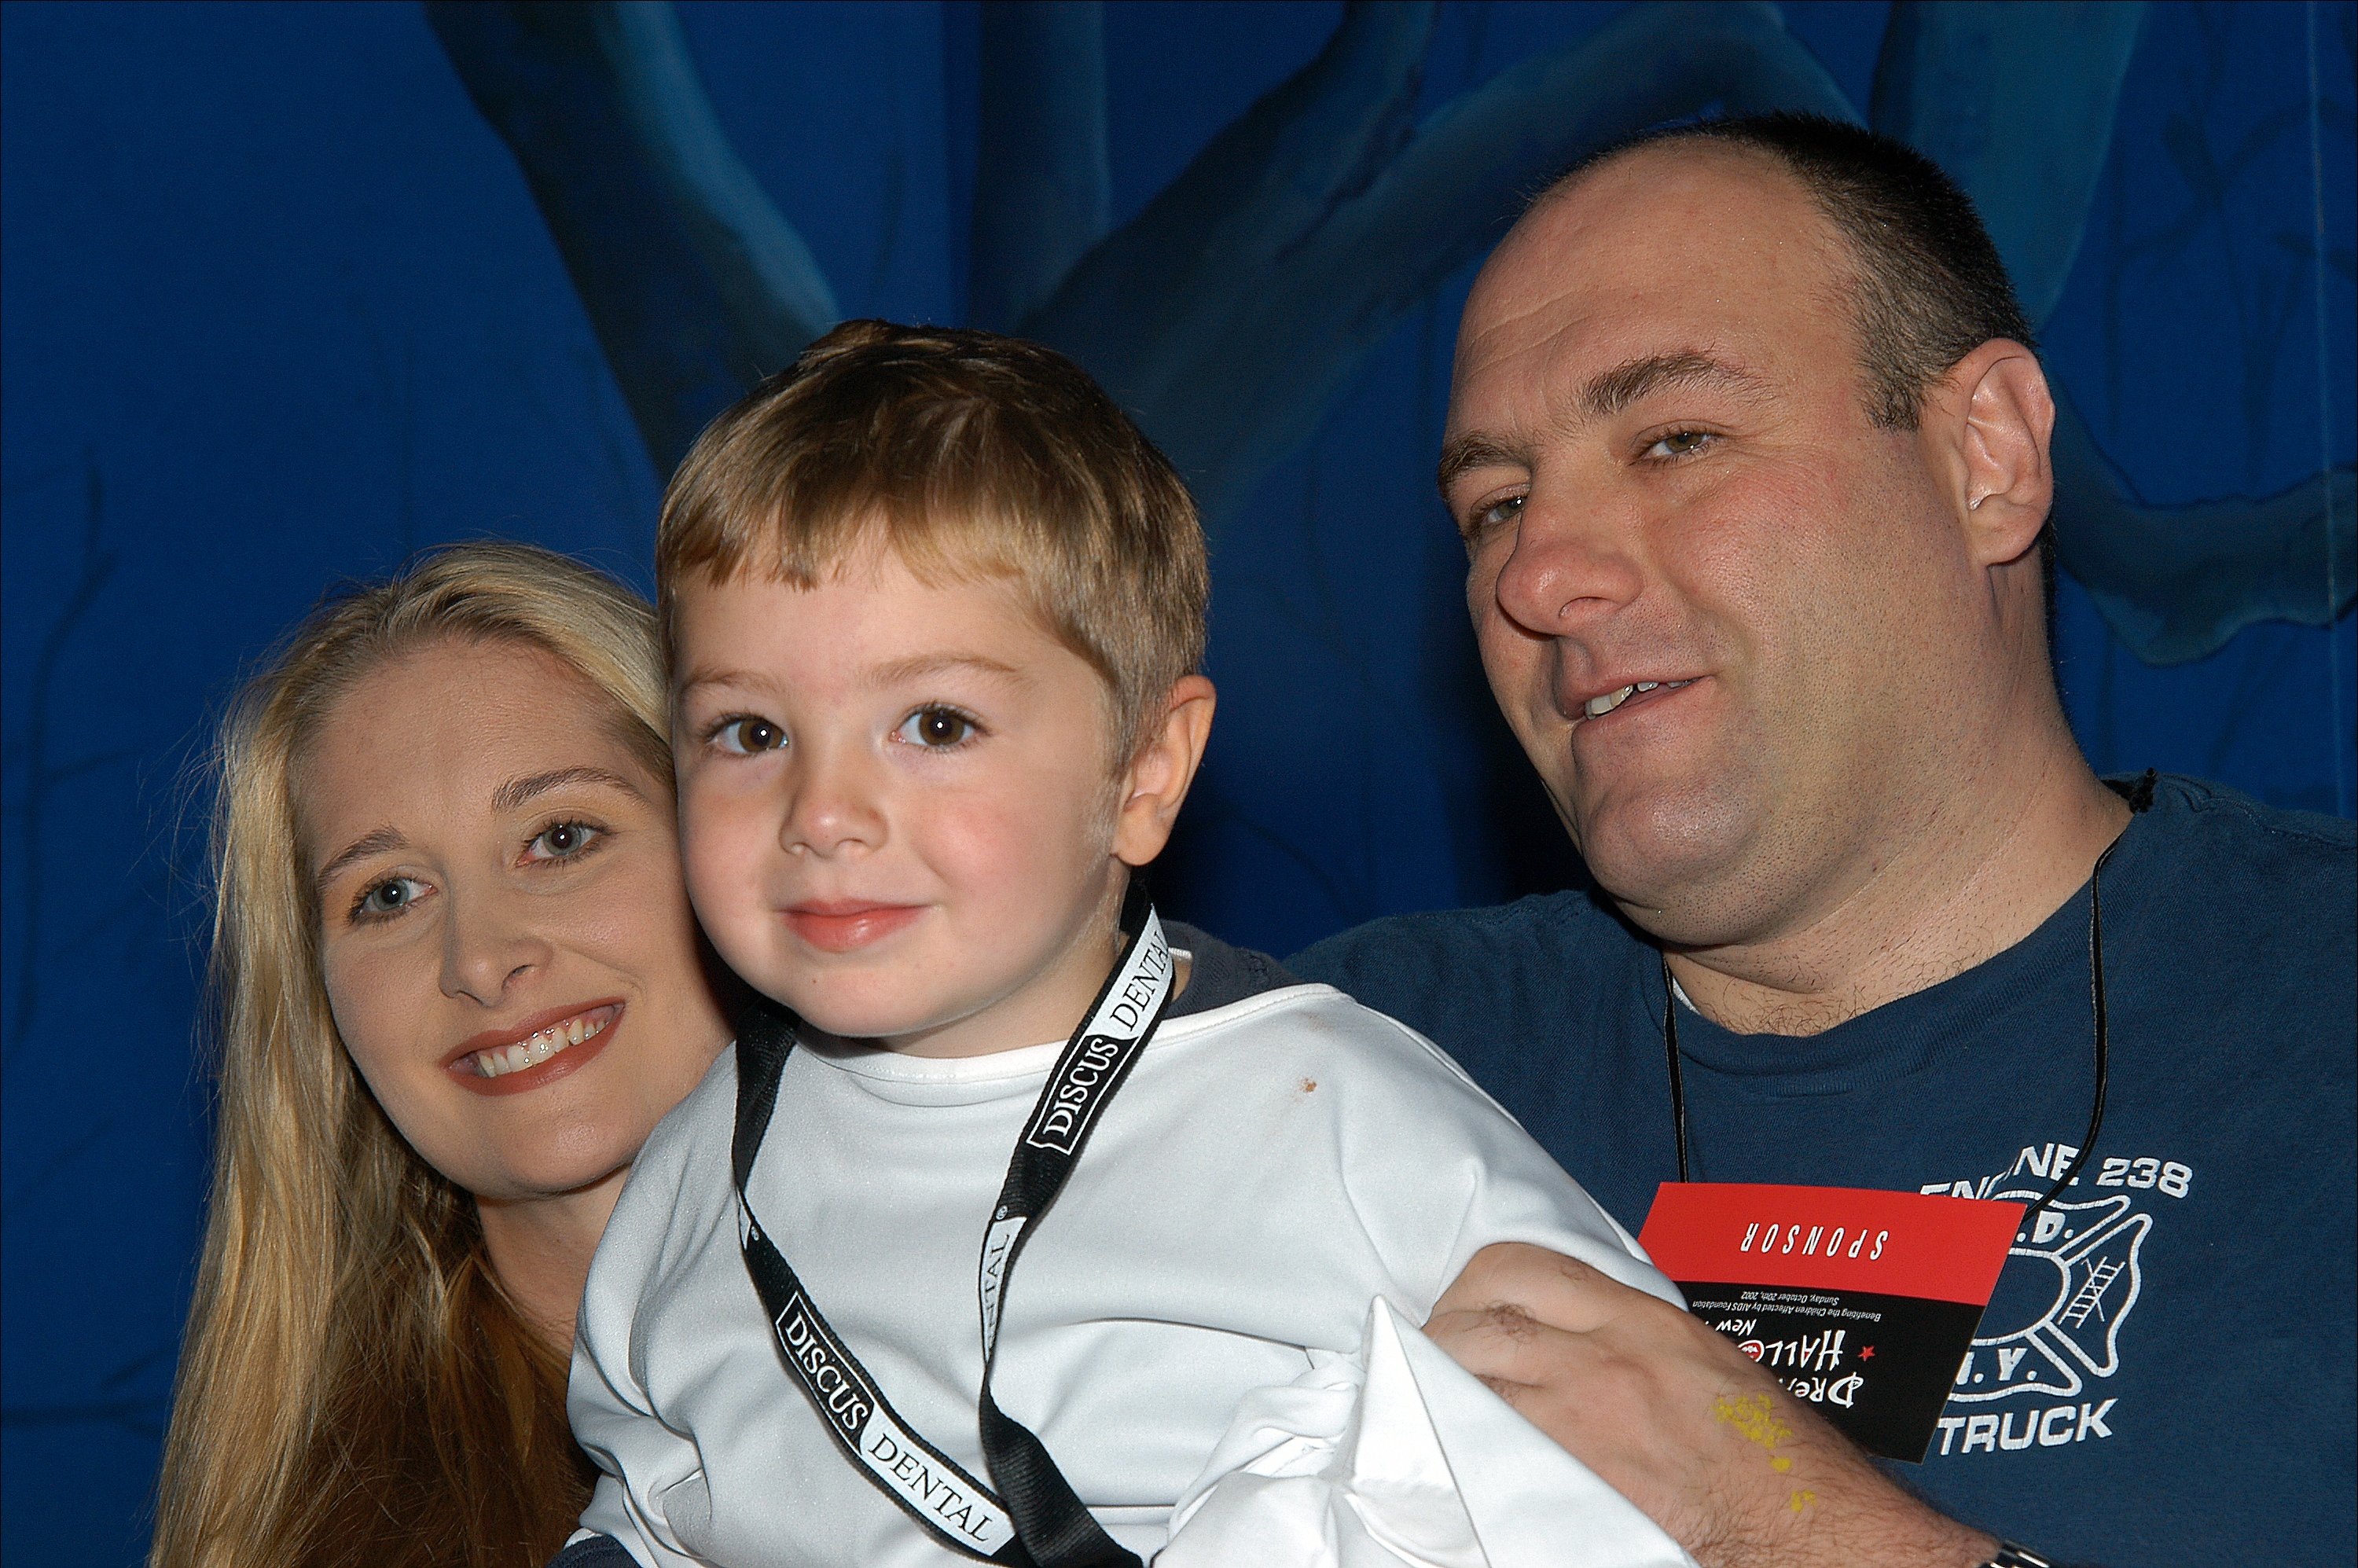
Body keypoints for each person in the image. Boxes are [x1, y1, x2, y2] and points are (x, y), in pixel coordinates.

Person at [1293, 114, 2357, 1566]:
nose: (1539, 571)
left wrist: (1775, 1515)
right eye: (1495, 506)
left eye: (1674, 439)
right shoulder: (1348, 1064)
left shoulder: (2318, 1018)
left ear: (1986, 459)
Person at [559, 321, 1691, 1568]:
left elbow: (1659, 1472)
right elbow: (649, 1501)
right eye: (749, 734)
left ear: (1145, 771)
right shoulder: (697, 1162)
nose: (822, 815)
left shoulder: (1343, 1122)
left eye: (935, 724)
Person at [150, 543, 733, 1568]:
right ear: (320, 1007)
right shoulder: (325, 1537)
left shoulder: (1073, 1262)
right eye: (388, 893)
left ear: (734, 837)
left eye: (561, 837)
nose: (480, 958)